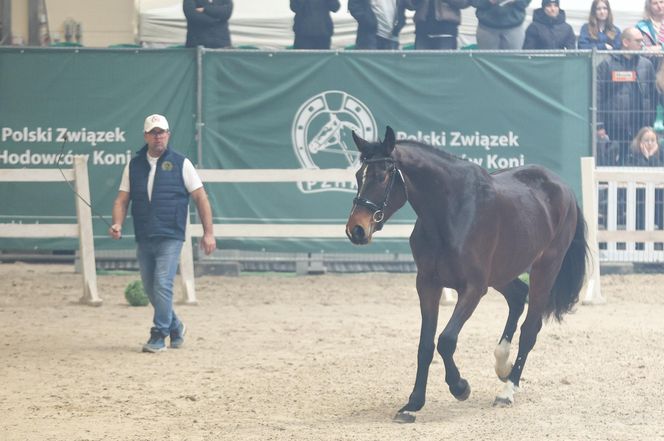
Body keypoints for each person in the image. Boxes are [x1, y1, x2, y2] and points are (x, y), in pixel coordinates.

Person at [109, 114, 217, 353]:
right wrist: (117, 223)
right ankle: (176, 326)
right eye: (153, 132)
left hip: (171, 233)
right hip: (144, 233)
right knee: (150, 287)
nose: (158, 136)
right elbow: (121, 199)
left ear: (168, 134)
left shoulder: (182, 163)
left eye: (162, 132)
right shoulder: (134, 164)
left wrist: (208, 233)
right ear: (146, 135)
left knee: (162, 282)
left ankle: (159, 333)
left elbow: (201, 197)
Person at [597, 28, 658, 165]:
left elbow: (654, 95)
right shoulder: (607, 64)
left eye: (642, 41)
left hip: (641, 126)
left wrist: (650, 122)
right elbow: (597, 96)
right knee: (615, 165)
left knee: (641, 164)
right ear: (625, 42)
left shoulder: (646, 65)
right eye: (638, 41)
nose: (642, 44)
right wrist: (599, 125)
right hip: (615, 127)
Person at [404, 0, 470, 49]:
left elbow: (464, 2)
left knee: (444, 64)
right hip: (422, 30)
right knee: (422, 64)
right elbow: (409, 5)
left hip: (446, 29)